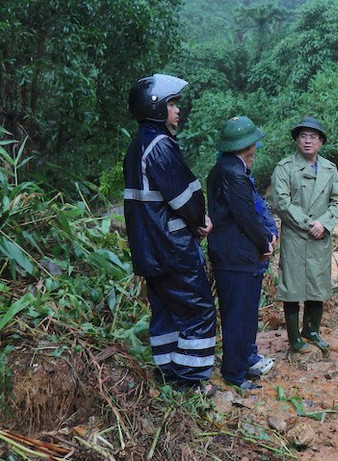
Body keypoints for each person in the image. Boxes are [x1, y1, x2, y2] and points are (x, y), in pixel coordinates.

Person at [123, 73, 217, 396]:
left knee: (165, 313)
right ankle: (190, 384)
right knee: (198, 311)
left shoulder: (137, 146)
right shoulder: (161, 147)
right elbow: (185, 199)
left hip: (150, 253)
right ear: (157, 107)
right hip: (173, 249)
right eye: (173, 104)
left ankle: (168, 379)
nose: (177, 110)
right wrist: (200, 219)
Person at [207, 116, 276, 390]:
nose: (255, 150)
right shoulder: (234, 174)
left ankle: (246, 357)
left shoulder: (224, 168)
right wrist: (264, 244)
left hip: (234, 252)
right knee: (238, 313)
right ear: (247, 146)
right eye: (253, 145)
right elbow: (247, 216)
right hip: (236, 254)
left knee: (246, 310)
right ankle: (234, 372)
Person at [271, 117, 338, 356]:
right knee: (292, 287)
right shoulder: (285, 168)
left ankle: (311, 330)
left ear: (321, 142)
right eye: (303, 136)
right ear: (296, 140)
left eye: (313, 137)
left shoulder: (329, 169)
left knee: (317, 284)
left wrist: (323, 224)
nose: (307, 140)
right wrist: (308, 224)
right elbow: (281, 202)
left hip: (320, 237)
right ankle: (294, 338)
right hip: (295, 235)